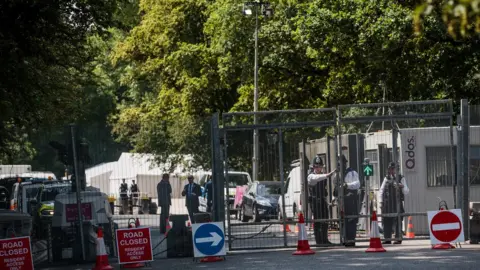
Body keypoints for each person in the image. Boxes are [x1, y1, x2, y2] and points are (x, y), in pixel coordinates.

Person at [308, 155, 336, 245]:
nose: (318, 168)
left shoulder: (323, 176)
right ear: (313, 167)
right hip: (315, 201)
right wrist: (329, 174)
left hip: (322, 200)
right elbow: (318, 178)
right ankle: (319, 241)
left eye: (320, 166)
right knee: (318, 221)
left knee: (325, 220)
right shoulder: (311, 176)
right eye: (316, 166)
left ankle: (325, 239)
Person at [378, 162, 409, 244]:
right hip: (388, 204)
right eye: (391, 169)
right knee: (387, 221)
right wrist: (381, 202)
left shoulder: (401, 178)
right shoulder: (386, 178)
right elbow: (381, 191)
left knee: (398, 220)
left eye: (393, 169)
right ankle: (387, 238)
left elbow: (406, 191)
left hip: (397, 203)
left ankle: (398, 238)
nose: (392, 171)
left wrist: (401, 186)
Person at [338, 155, 361, 247]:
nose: (340, 166)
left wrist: (347, 185)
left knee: (351, 220)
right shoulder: (339, 174)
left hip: (350, 200)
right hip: (342, 201)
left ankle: (351, 239)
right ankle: (344, 238)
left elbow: (357, 184)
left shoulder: (352, 173)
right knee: (343, 221)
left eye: (341, 163)